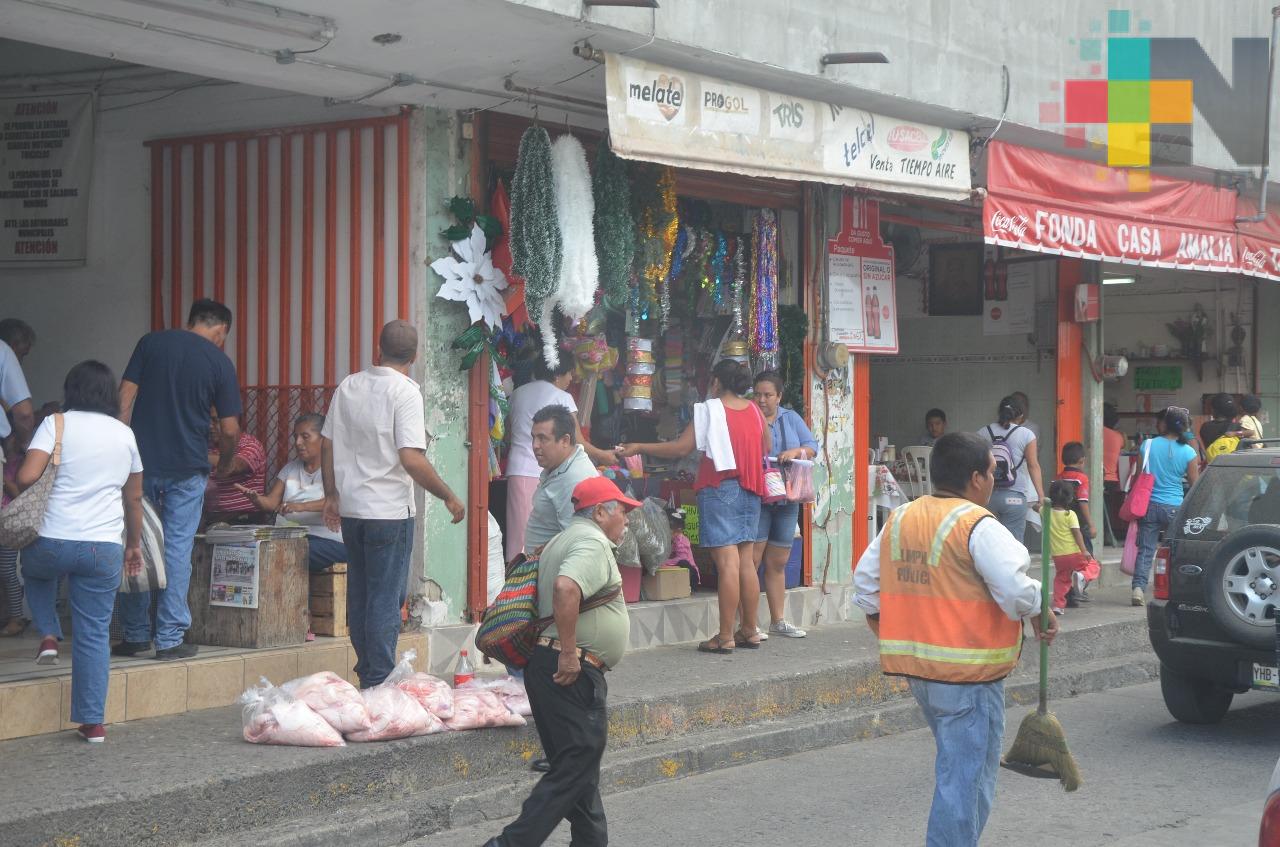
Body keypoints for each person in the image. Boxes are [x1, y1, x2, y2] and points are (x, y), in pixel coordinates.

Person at [853, 432, 1056, 847]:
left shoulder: (902, 517)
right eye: (994, 472)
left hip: (920, 673)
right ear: (977, 477)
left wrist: (903, 627)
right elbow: (1016, 591)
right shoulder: (978, 525)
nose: (995, 480)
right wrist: (1040, 606)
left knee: (959, 774)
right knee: (965, 783)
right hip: (968, 677)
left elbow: (865, 587)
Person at [485, 476, 635, 847]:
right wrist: (569, 653)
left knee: (578, 770)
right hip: (571, 669)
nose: (627, 520)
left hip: (549, 666)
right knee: (576, 765)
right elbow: (566, 588)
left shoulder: (562, 539)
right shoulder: (591, 541)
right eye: (622, 511)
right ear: (600, 512)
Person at [322, 320, 465, 689]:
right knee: (386, 599)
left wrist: (332, 495)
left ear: (377, 349)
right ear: (415, 357)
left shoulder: (348, 386)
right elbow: (411, 458)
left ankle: (367, 669)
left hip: (353, 511)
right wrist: (447, 494)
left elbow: (326, 444)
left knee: (362, 594)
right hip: (388, 513)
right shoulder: (406, 393)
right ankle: (378, 679)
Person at [16, 361, 144, 743]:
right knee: (93, 634)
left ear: (71, 390)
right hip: (102, 547)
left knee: (34, 570)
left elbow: (25, 477)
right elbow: (133, 497)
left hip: (51, 540)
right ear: (108, 395)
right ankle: (93, 723)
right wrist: (133, 545)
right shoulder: (124, 434)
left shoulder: (55, 423)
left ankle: (49, 633)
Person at [116, 299, 242, 660]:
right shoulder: (219, 362)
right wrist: (227, 462)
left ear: (191, 321)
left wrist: (123, 453)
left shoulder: (150, 343)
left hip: (141, 465)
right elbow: (230, 429)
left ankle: (136, 633)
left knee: (136, 540)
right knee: (175, 548)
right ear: (221, 331)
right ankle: (169, 638)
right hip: (188, 469)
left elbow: (124, 399)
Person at [619, 359, 771, 654]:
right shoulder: (754, 409)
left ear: (715, 382)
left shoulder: (709, 409)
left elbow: (680, 448)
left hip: (720, 488)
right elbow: (766, 445)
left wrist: (640, 447)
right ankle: (750, 630)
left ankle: (725, 635)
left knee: (728, 564)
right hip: (751, 490)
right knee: (746, 562)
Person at [504, 355, 615, 562]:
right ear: (557, 373)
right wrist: (603, 455)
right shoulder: (563, 398)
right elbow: (577, 441)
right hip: (551, 471)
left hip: (519, 468)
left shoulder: (517, 393)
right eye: (569, 373)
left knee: (518, 536)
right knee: (556, 530)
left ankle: (515, 583)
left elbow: (508, 434)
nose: (571, 378)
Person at [751, 371, 817, 639]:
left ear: (779, 396)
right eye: (758, 394)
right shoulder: (749, 418)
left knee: (778, 561)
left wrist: (795, 452)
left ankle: (778, 620)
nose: (762, 399)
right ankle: (748, 623)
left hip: (789, 496)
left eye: (768, 395)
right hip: (758, 496)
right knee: (752, 561)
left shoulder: (791, 418)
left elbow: (812, 446)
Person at [239, 414, 346, 573]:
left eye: (305, 437)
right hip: (291, 538)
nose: (298, 443)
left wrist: (300, 506)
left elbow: (338, 501)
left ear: (324, 438)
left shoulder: (338, 468)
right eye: (296, 437)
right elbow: (271, 503)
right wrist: (255, 498)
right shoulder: (290, 468)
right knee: (256, 548)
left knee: (290, 553)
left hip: (329, 541)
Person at [1131, 408, 1199, 607]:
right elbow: (1194, 484)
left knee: (1146, 549)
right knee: (1172, 551)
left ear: (1164, 424)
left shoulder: (1148, 445)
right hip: (1175, 507)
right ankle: (1170, 588)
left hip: (1149, 505)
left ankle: (1138, 588)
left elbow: (1137, 477)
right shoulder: (1188, 452)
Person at [977, 395, 1043, 543]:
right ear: (1021, 415)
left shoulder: (983, 432)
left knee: (988, 542)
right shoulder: (1027, 435)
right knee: (1014, 545)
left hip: (988, 497)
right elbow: (1033, 466)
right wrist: (1041, 495)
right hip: (1015, 497)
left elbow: (976, 464)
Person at [1047, 480, 1097, 615]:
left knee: (1061, 579)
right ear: (1070, 499)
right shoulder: (1070, 515)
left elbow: (1036, 506)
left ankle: (1058, 605)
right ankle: (1082, 576)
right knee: (1093, 566)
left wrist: (1043, 503)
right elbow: (1077, 534)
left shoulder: (1045, 512)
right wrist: (1084, 550)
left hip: (1058, 556)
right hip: (1074, 553)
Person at [204, 422, 267, 524]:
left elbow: (234, 466)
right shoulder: (206, 446)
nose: (210, 425)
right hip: (209, 516)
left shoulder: (250, 445)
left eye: (216, 420)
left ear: (233, 420)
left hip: (242, 518)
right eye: (208, 420)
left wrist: (196, 456)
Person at [0, 425, 26, 636]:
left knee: (7, 569)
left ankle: (17, 618)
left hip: (10, 521)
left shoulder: (22, 462)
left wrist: (3, 478)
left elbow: (20, 494)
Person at [0, 318, 36, 450]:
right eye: (22, 354)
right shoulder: (4, 350)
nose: (20, 362)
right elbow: (23, 414)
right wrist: (24, 444)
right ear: (13, 346)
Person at [1058, 441, 1094, 557]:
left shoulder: (1058, 478)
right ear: (1082, 460)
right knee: (1086, 557)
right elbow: (1083, 503)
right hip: (1080, 524)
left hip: (1061, 524)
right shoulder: (1081, 478)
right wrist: (1091, 524)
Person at [1102, 403, 1126, 534]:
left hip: (1096, 477)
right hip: (1112, 480)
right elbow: (1123, 446)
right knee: (1108, 511)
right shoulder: (1118, 437)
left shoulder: (1095, 432)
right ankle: (1107, 535)